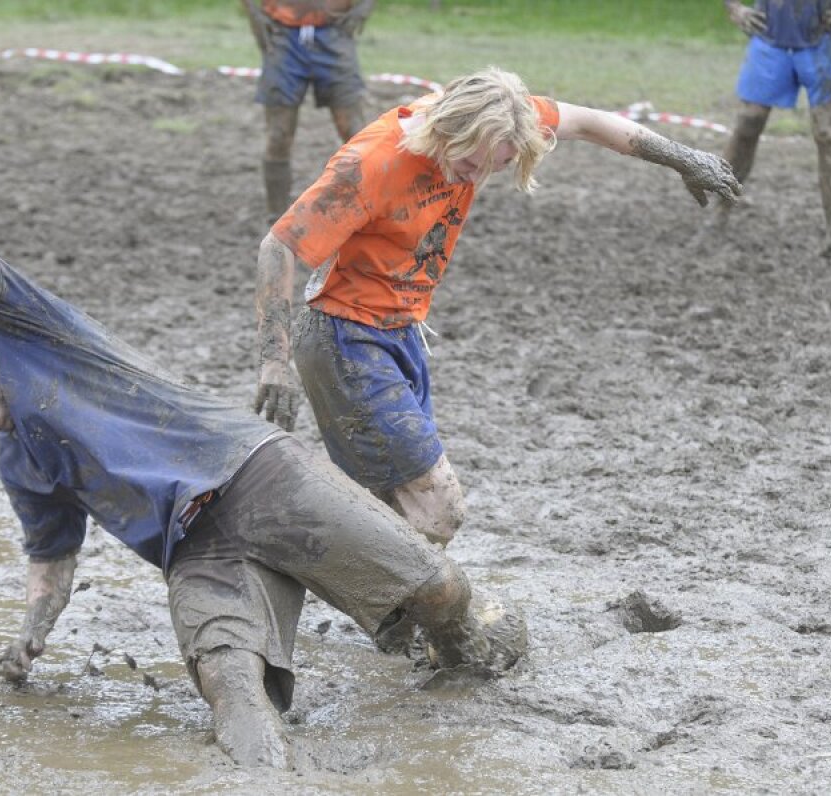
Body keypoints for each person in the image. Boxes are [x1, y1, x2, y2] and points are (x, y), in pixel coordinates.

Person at [0, 225, 526, 769]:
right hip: (195, 553)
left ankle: (473, 657)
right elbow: (51, 559)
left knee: (439, 593)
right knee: (231, 688)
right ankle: (264, 778)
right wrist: (31, 632)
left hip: (254, 472)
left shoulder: (35, 334)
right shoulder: (21, 465)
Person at [251, 67, 740, 649]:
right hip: (344, 339)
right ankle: (290, 555)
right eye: (468, 166)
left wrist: (682, 156)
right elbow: (279, 245)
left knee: (397, 514)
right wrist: (273, 362)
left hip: (401, 333)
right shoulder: (374, 163)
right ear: (448, 133)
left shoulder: (502, 116)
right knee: (437, 512)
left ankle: (387, 622)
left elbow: (589, 121)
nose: (479, 178)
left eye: (497, 167)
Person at [719, 0, 831, 253]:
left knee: (827, 133)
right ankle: (717, 215)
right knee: (748, 123)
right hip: (769, 36)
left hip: (824, 38)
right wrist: (734, 8)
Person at [241, 0, 374, 221]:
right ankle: (277, 219)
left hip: (335, 31)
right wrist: (253, 12)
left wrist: (365, 7)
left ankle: (369, 209)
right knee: (278, 135)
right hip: (283, 36)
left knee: (354, 131)